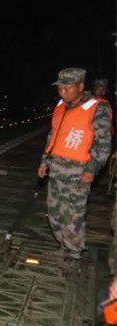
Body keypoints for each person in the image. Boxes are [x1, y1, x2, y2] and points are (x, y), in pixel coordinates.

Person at [37, 67, 112, 271]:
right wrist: (45, 161)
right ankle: (63, 246)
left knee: (73, 215)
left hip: (78, 172)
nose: (62, 92)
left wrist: (92, 169)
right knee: (55, 213)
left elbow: (103, 144)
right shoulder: (61, 106)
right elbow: (53, 137)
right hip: (57, 169)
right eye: (60, 88)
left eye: (67, 88)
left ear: (80, 86)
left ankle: (75, 254)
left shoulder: (97, 108)